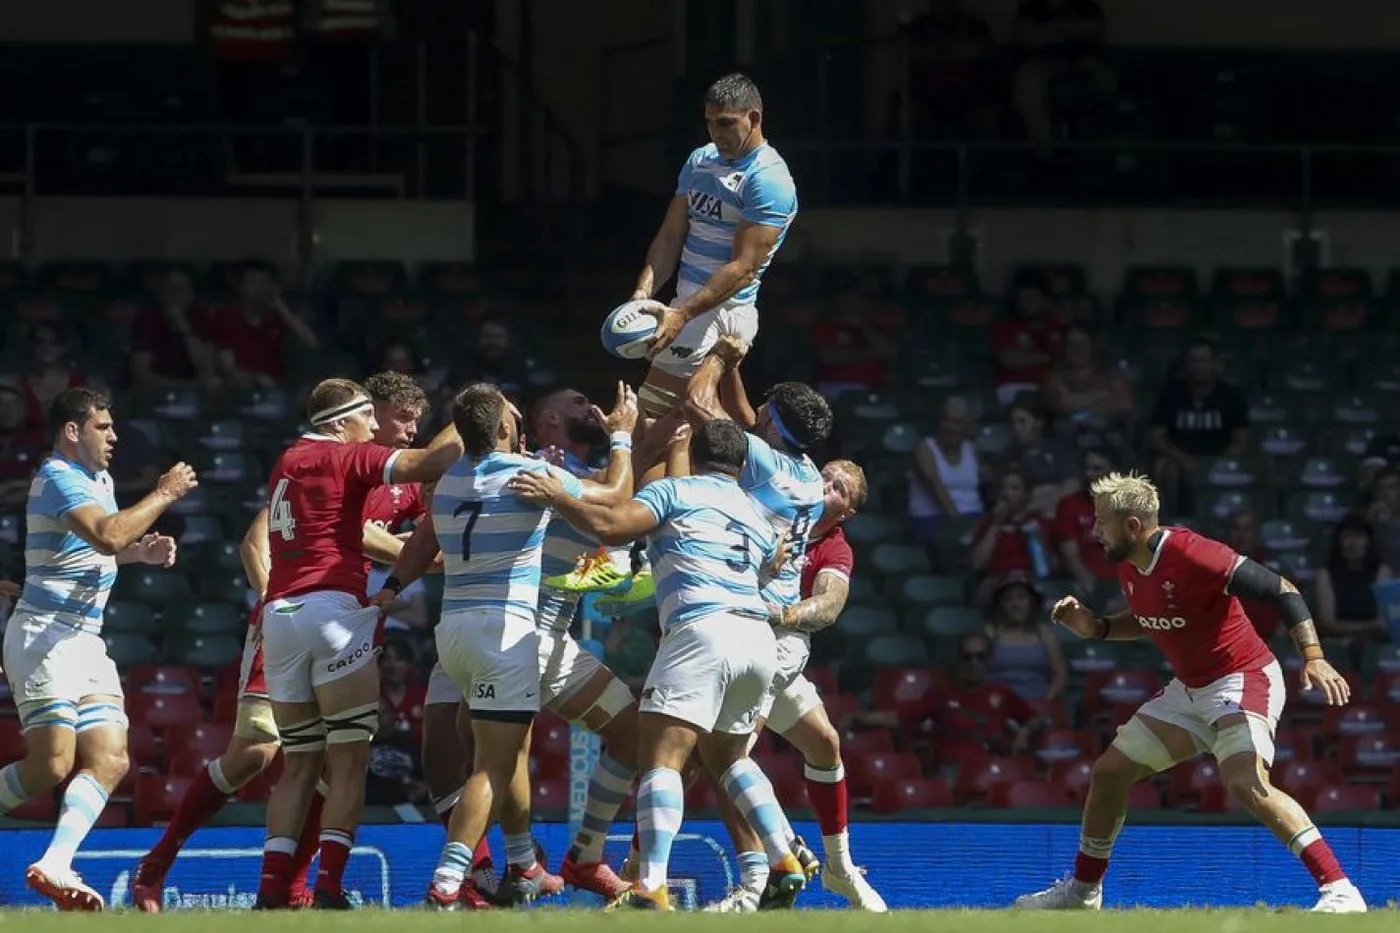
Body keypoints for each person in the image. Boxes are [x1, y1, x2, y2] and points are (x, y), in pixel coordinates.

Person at [132, 372, 435, 912]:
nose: (411, 430)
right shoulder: (331, 464)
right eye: (401, 418)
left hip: (353, 624)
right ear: (365, 414)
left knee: (330, 761)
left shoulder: (404, 485)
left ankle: (287, 890)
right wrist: (280, 600)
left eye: (418, 421)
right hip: (294, 617)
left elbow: (429, 539)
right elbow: (257, 539)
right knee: (254, 753)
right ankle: (156, 865)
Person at [1015, 472, 1366, 913]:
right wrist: (1097, 627)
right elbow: (1148, 616)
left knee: (1244, 782)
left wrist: (1313, 656)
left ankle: (1340, 890)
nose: (1094, 531)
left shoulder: (1194, 553)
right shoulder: (1128, 562)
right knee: (1108, 773)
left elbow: (1283, 590)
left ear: (1132, 527)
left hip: (1244, 678)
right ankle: (1084, 893)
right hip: (1190, 690)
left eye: (1101, 522)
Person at [508, 419, 806, 912]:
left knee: (662, 758)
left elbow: (609, 525)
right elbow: (775, 562)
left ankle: (650, 883)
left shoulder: (675, 491)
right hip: (756, 637)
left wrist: (555, 495)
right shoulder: (757, 511)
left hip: (701, 629)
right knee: (732, 758)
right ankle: (783, 858)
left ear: (694, 451)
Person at [378, 382, 635, 909]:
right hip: (508, 633)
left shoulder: (447, 480)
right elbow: (613, 496)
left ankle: (523, 865)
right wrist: (626, 437)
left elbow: (423, 543)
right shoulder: (532, 475)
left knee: (504, 752)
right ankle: (450, 880)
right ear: (502, 430)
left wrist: (389, 591)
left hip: (454, 634)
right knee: (494, 765)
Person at [253, 377, 462, 909]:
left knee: (300, 762)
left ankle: (271, 890)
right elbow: (433, 461)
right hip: (332, 609)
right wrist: (474, 414)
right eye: (367, 417)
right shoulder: (345, 458)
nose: (374, 427)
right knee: (347, 759)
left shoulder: (287, 460)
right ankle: (327, 888)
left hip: (279, 614)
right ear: (341, 422)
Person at [0, 387, 196, 910]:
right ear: (73, 431)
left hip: (86, 640)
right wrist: (165, 494)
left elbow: (100, 551)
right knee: (51, 766)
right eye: (103, 427)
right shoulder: (58, 477)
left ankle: (56, 865)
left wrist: (140, 554)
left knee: (110, 759)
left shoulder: (100, 480)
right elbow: (106, 535)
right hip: (42, 635)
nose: (114, 436)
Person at [682, 339, 835, 909]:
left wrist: (720, 355)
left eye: (765, 412)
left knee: (722, 756)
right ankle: (779, 852)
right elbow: (749, 422)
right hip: (772, 628)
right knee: (716, 754)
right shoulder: (808, 476)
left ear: (772, 422)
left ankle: (766, 870)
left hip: (751, 620)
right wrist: (741, 367)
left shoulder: (761, 460)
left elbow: (703, 407)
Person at [712, 459, 887, 912]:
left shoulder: (835, 549)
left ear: (846, 513)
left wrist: (779, 613)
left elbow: (828, 607)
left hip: (782, 643)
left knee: (732, 757)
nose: (826, 485)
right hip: (730, 638)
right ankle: (774, 863)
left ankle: (835, 866)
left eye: (839, 488)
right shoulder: (770, 506)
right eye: (825, 476)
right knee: (818, 743)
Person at [627, 73, 798, 423]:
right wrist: (643, 293)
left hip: (724, 308)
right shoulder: (700, 160)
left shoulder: (769, 179)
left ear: (754, 118)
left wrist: (682, 315)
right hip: (685, 306)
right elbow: (670, 237)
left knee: (649, 420)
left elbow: (743, 268)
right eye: (709, 123)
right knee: (682, 428)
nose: (715, 133)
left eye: (726, 123)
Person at [908, 395, 983, 546]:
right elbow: (935, 485)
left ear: (966, 425)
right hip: (934, 520)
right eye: (945, 420)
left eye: (956, 422)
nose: (949, 426)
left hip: (973, 518)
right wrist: (961, 525)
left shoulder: (972, 449)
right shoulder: (925, 448)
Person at [985, 572, 1067, 702]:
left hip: (1039, 703)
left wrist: (1045, 702)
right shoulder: (990, 633)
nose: (1015, 604)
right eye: (1008, 599)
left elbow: (1059, 675)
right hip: (998, 705)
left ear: (1031, 602)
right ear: (1000, 604)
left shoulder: (1045, 634)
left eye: (1021, 598)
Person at [1315, 514, 1391, 644]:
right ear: (1339, 542)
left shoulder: (1382, 572)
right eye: (1347, 537)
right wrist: (1367, 628)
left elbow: (1384, 624)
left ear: (1368, 541)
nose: (1353, 543)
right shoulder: (1326, 574)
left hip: (1374, 644)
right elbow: (1327, 623)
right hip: (1336, 643)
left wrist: (1350, 629)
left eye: (1359, 537)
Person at [1052, 448, 1117, 595]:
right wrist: (1092, 588)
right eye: (1086, 468)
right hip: (1088, 584)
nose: (1089, 474)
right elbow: (1071, 556)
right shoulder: (1069, 505)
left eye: (1096, 469)